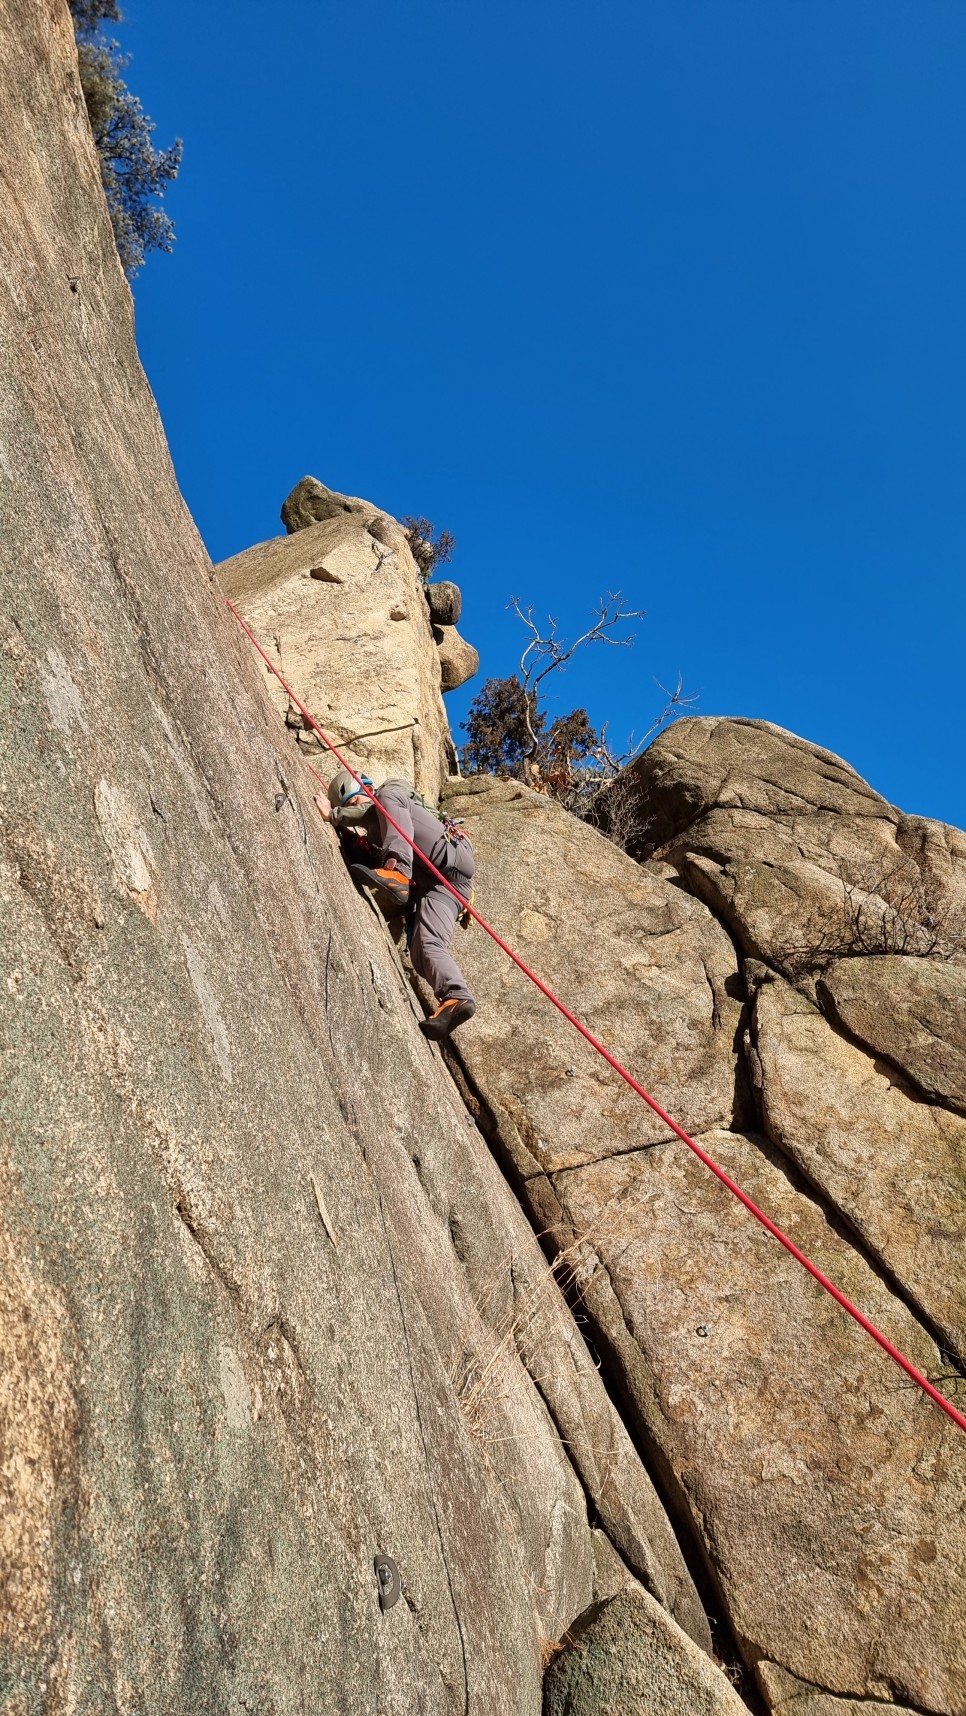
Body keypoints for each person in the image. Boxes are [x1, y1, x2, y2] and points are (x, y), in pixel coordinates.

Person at [315, 770, 477, 1040]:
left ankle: (399, 871)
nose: (358, 809)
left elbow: (375, 808)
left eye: (355, 801)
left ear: (363, 788)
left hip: (450, 851)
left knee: (384, 801)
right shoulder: (383, 834)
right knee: (424, 948)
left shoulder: (393, 790)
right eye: (351, 806)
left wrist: (335, 815)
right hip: (439, 888)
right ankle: (455, 997)